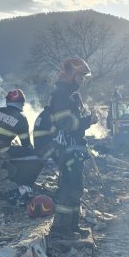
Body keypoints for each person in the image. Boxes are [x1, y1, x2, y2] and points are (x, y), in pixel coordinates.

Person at [48, 57, 97, 239]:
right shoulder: (61, 94)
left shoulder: (70, 95)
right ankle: (61, 229)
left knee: (76, 189)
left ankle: (73, 226)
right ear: (72, 74)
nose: (82, 80)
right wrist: (88, 120)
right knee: (68, 189)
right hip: (67, 150)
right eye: (81, 76)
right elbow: (66, 124)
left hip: (73, 149)